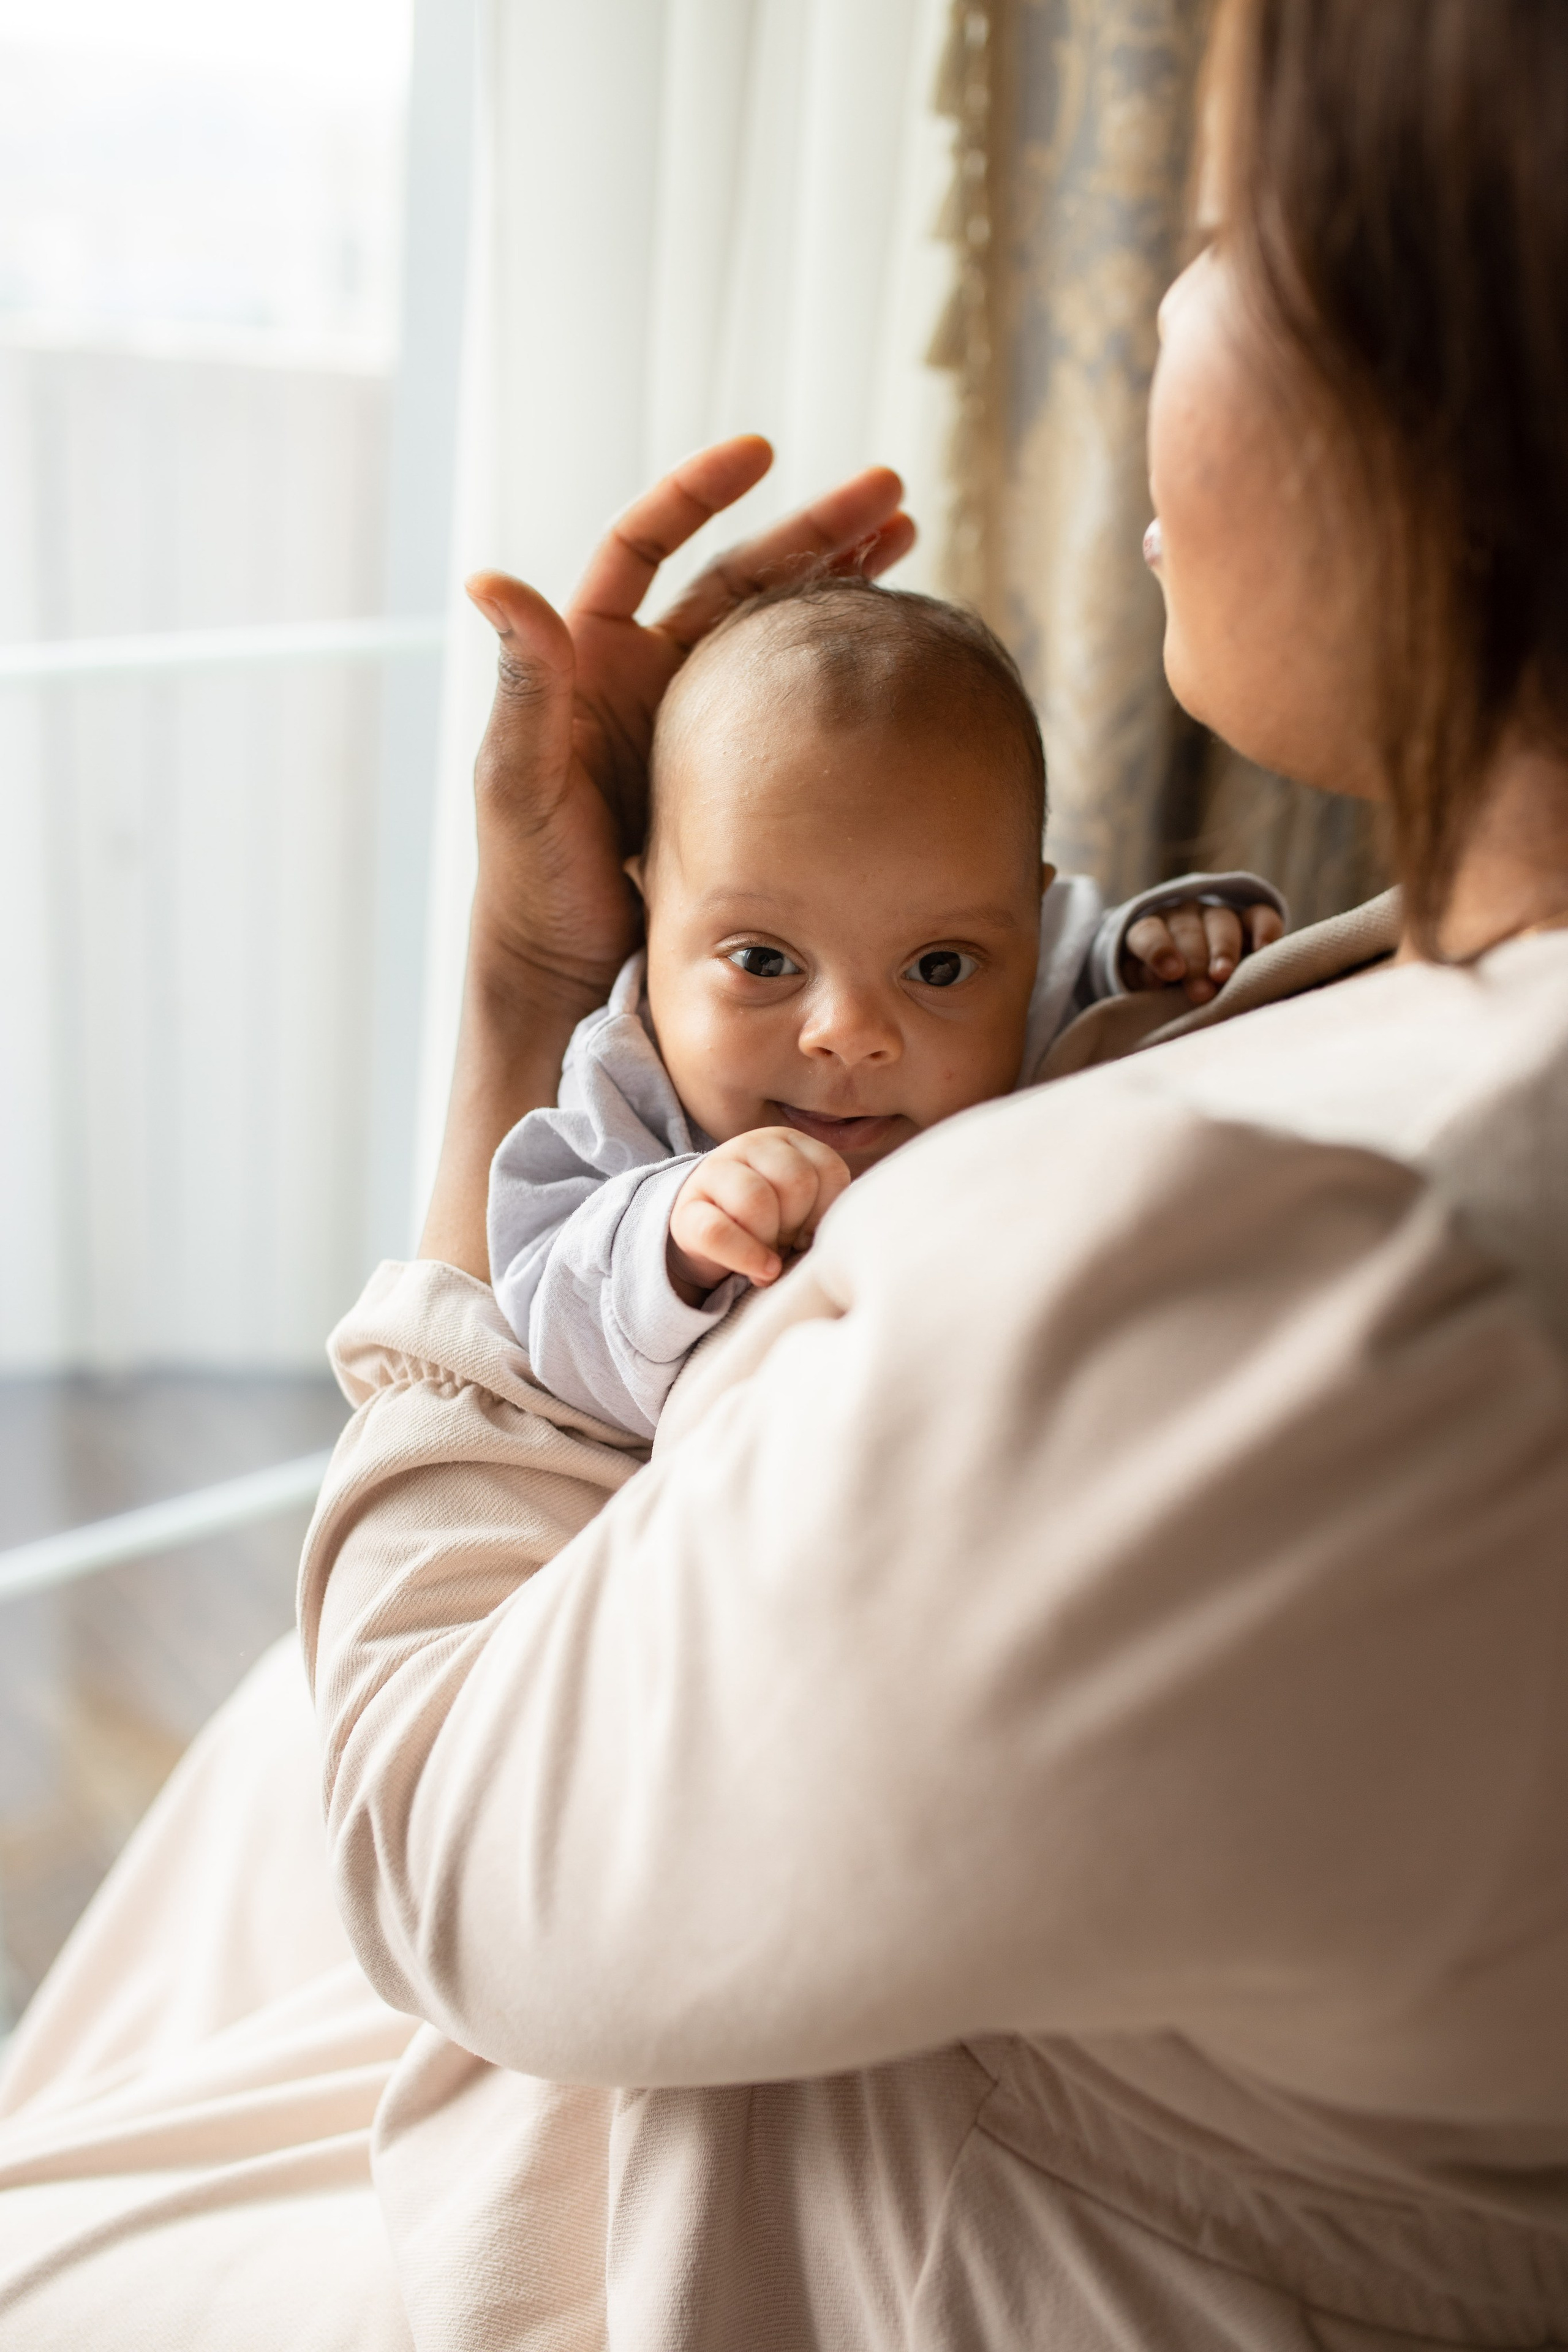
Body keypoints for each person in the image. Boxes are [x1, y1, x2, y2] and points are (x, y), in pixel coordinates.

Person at [3, 2, 1568, 2345]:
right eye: (759, 956)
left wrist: (533, 1011)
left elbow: (431, 1843)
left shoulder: (1308, 1290)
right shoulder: (1412, 1021)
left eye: (1223, 231)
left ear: (1464, 367)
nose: (1157, 305)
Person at [489, 569, 1285, 1436]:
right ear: (650, 910)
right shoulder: (628, 1085)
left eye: (937, 968)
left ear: (1029, 926)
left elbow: (1085, 978)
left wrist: (1158, 949)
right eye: (764, 961)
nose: (849, 1034)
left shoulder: (1036, 982)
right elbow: (541, 1306)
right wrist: (671, 1241)